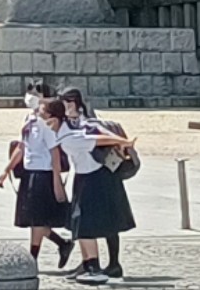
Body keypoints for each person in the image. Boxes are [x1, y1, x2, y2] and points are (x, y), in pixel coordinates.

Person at [58, 88, 135, 283]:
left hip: (103, 173)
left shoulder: (89, 122)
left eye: (71, 101)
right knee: (84, 221)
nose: (67, 106)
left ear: (79, 102)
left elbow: (101, 137)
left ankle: (113, 263)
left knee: (110, 220)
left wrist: (122, 142)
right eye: (64, 102)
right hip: (84, 175)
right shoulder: (65, 125)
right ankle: (89, 262)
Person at [0, 86, 74, 269]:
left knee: (38, 220)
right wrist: (7, 169)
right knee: (34, 219)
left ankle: (33, 259)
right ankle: (62, 244)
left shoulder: (47, 128)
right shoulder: (29, 121)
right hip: (29, 173)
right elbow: (22, 147)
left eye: (41, 107)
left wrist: (56, 180)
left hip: (43, 174)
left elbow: (55, 153)